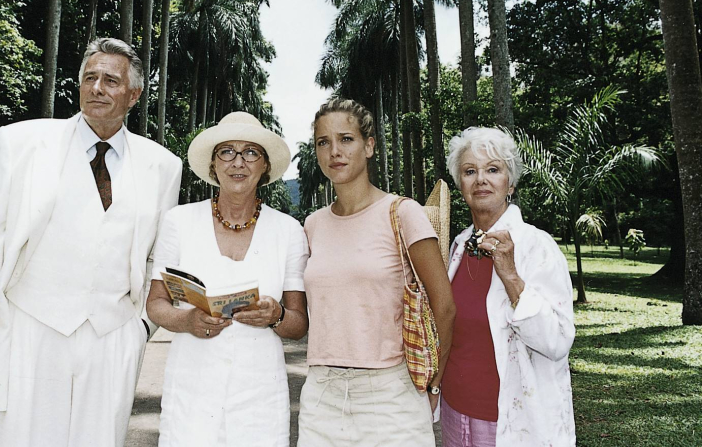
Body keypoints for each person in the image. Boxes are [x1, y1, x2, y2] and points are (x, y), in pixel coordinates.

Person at [0, 38, 183, 447]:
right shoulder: (20, 143)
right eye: (89, 78)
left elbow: (158, 257)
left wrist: (139, 329)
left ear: (133, 94)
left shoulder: (163, 166)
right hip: (30, 329)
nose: (97, 88)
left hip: (113, 336)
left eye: (111, 81)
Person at [298, 97, 456, 447]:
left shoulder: (403, 213)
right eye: (323, 142)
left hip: (390, 395)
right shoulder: (312, 225)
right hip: (322, 396)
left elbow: (444, 306)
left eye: (346, 139)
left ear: (369, 146)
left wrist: (434, 382)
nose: (334, 151)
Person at [146, 111, 309, 447]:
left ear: (265, 165)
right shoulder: (179, 222)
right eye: (227, 151)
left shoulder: (289, 230)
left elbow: (298, 324)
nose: (238, 162)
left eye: (251, 152)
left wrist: (276, 315)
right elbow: (156, 304)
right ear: (213, 163)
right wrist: (187, 320)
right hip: (192, 389)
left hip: (260, 395)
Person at [438, 127, 575, 447]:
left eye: (493, 169)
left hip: (512, 423)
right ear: (460, 185)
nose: (480, 180)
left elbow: (557, 342)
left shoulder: (537, 246)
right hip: (454, 414)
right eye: (469, 171)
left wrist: (511, 276)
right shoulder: (458, 246)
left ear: (510, 184)